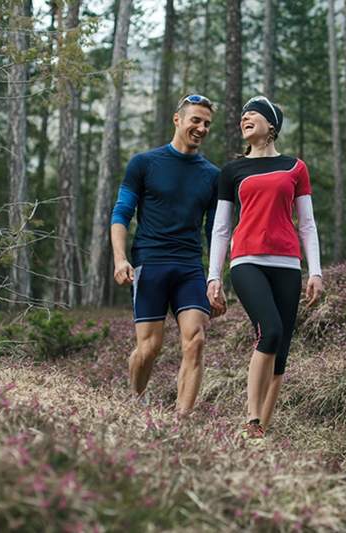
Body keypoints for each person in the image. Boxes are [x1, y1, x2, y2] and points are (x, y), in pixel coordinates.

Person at [206, 95, 324, 441]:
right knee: (269, 331)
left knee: (282, 350)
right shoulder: (232, 171)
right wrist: (214, 276)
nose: (245, 117)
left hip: (287, 263)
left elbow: (307, 224)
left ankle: (261, 433)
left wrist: (314, 270)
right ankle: (252, 418)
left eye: (252, 113)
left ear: (271, 125)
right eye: (242, 115)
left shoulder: (295, 167)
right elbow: (222, 228)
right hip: (246, 261)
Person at [110, 94, 222, 416]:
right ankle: (135, 402)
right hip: (150, 262)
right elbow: (121, 215)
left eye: (207, 124)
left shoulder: (212, 176)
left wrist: (216, 279)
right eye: (195, 120)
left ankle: (180, 422)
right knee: (149, 347)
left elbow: (216, 232)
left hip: (189, 267)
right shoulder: (144, 164)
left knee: (196, 340)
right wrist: (120, 259)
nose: (201, 128)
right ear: (178, 119)